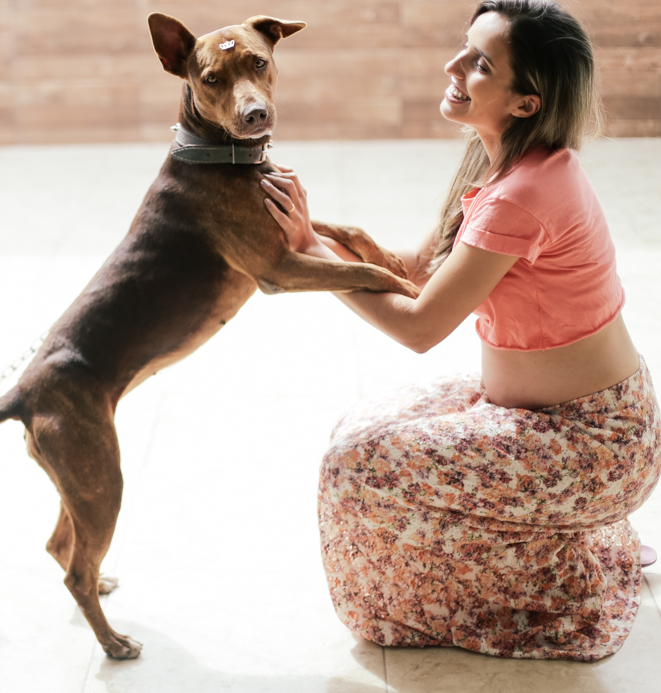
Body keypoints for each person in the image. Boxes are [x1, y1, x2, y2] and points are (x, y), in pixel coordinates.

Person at [261, 0, 660, 660]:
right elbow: (420, 269)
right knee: (358, 430)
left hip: (591, 442)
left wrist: (310, 257)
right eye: (463, 47)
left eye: (479, 63)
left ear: (526, 102)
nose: (453, 65)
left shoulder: (523, 192)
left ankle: (520, 585)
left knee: (354, 465)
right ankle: (541, 550)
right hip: (540, 415)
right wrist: (317, 238)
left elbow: (419, 325)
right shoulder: (500, 161)